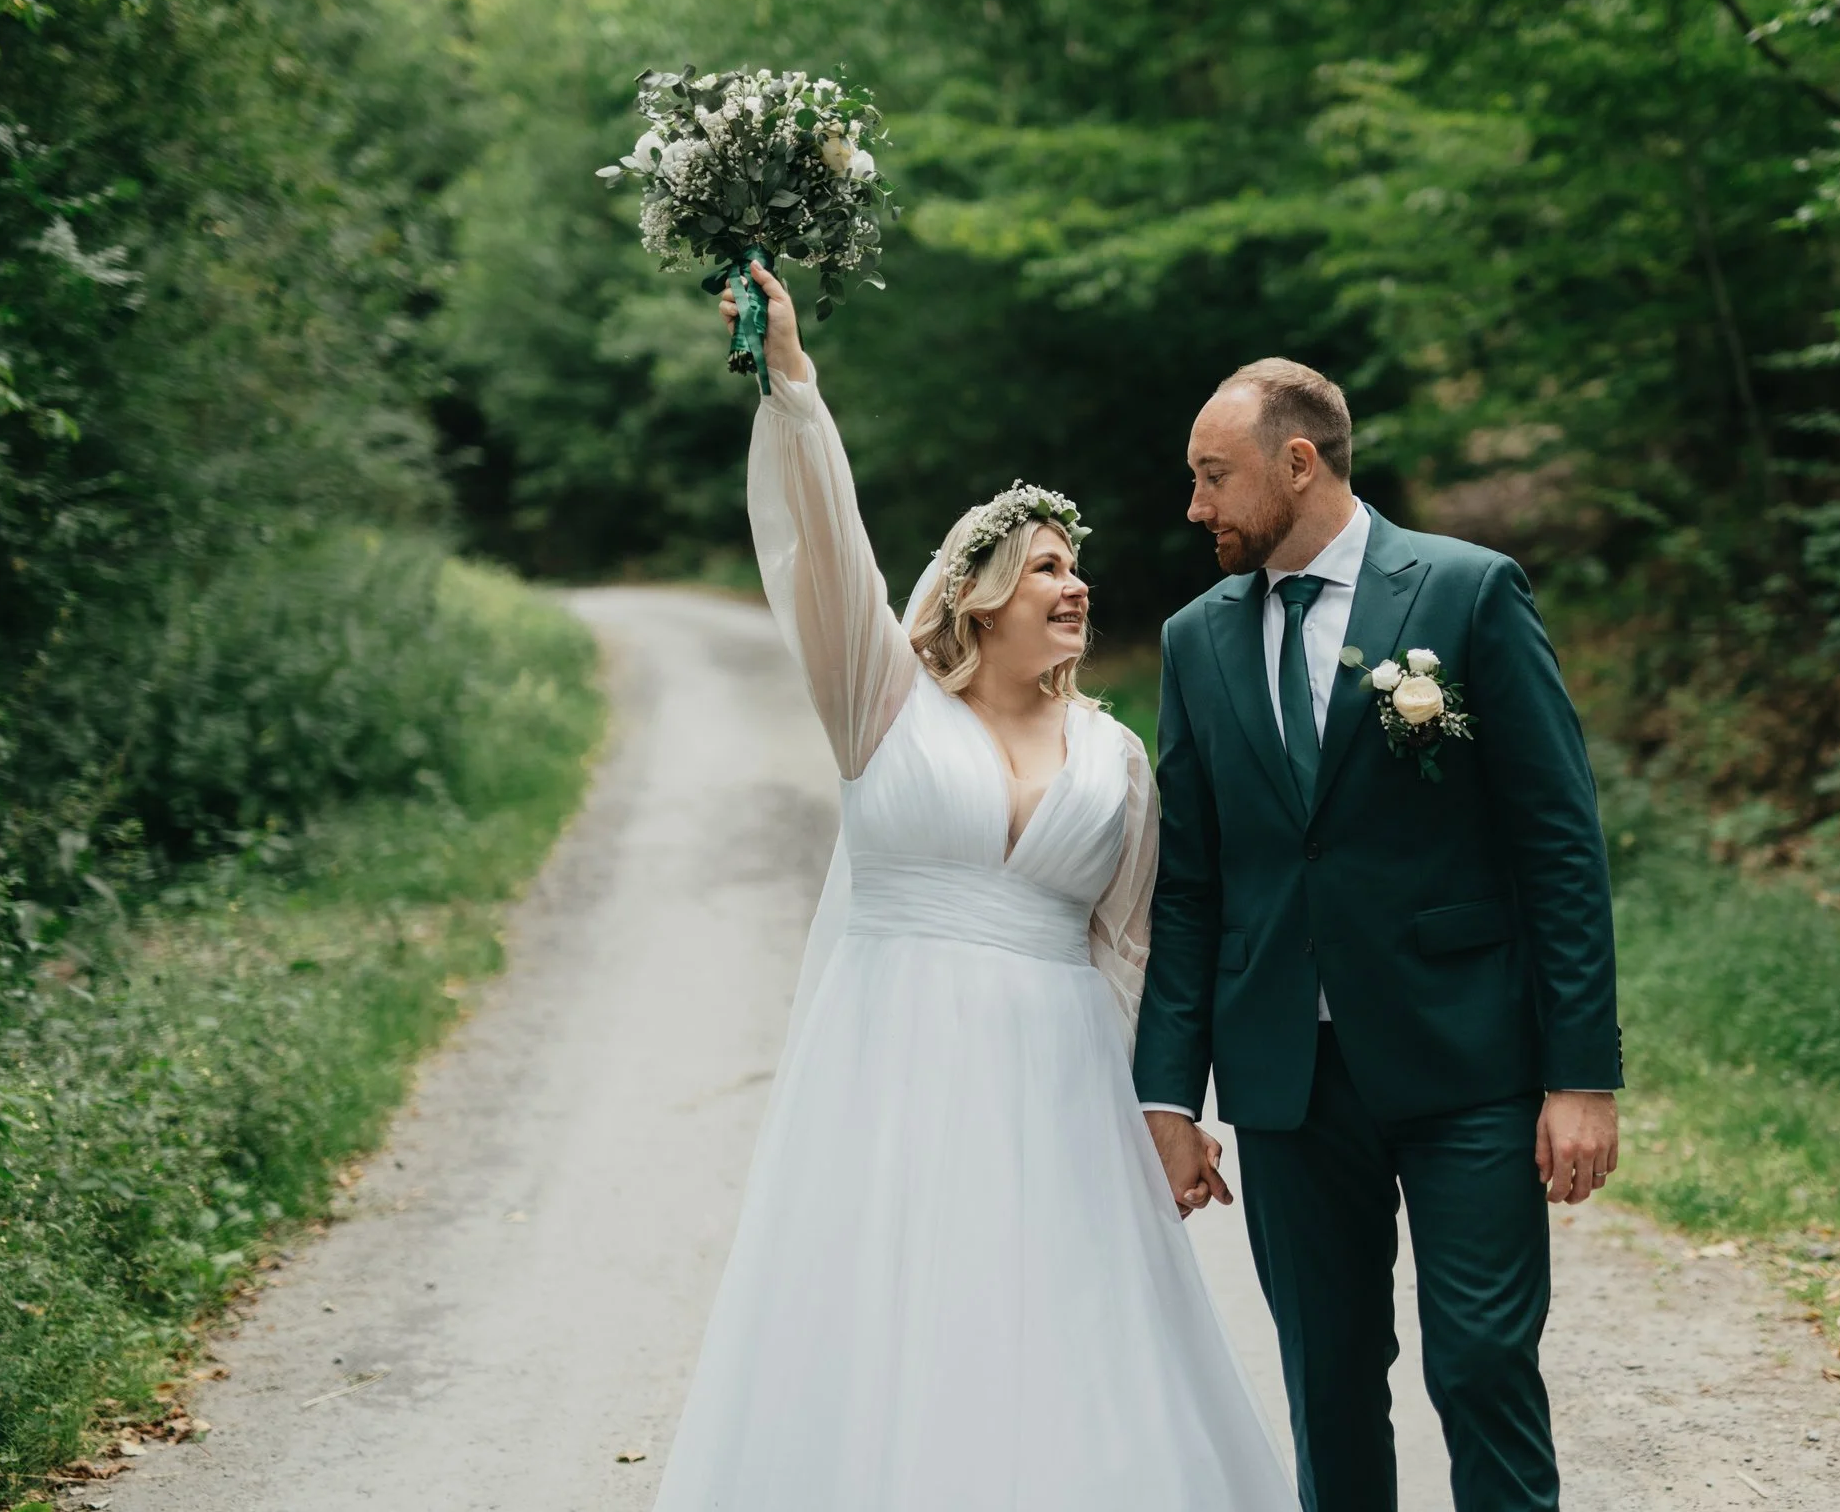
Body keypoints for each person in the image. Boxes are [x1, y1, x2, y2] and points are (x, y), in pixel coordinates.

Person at [649, 262, 1293, 1511]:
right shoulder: (879, 703)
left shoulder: (1115, 755)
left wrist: (1167, 1109)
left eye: (1076, 569)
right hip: (887, 1072)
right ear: (981, 592)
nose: (1075, 585)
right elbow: (824, 554)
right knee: (892, 1325)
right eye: (1048, 567)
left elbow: (1138, 947)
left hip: (1062, 1088)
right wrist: (793, 383)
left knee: (1065, 1338)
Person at [1134, 358, 1623, 1512]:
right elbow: (1191, 885)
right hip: (1286, 1081)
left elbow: (1558, 843)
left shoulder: (1466, 590)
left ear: (1296, 463)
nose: (1195, 507)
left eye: (1214, 477)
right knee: (1331, 1381)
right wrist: (1168, 1095)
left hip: (1467, 1063)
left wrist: (1581, 1076)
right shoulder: (1194, 640)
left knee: (1483, 1363)